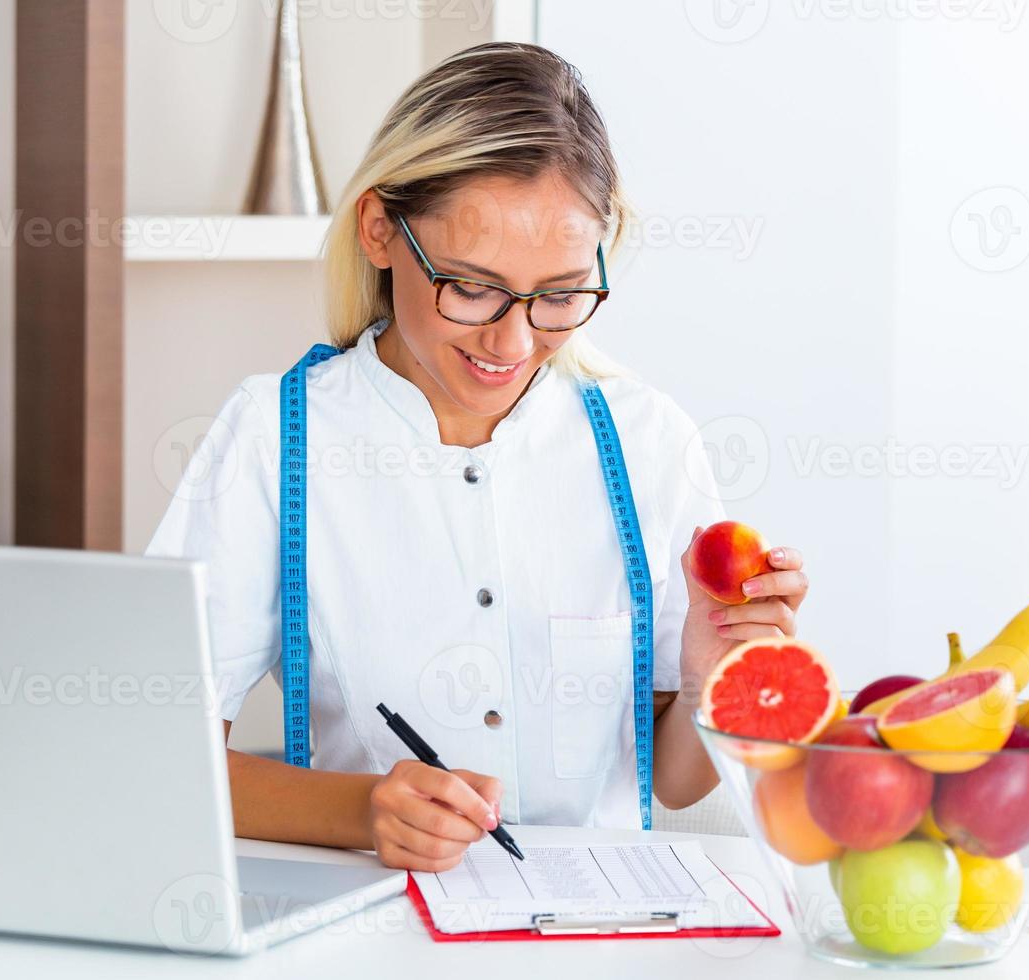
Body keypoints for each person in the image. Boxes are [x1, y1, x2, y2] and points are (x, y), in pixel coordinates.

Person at [147, 42, 808, 872]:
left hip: (602, 938)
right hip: (369, 926)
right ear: (380, 230)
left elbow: (673, 782)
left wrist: (718, 668)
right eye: (472, 287)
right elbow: (161, 753)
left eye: (561, 294)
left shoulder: (649, 443)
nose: (513, 339)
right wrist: (363, 810)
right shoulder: (276, 437)